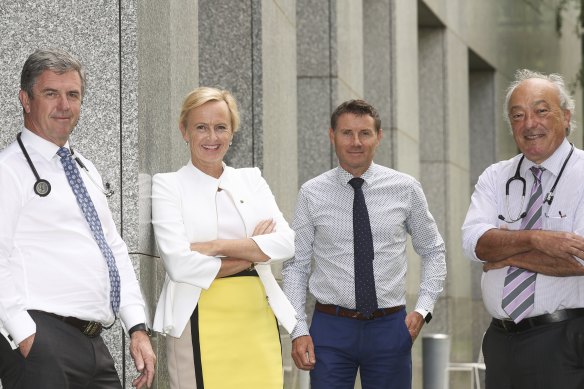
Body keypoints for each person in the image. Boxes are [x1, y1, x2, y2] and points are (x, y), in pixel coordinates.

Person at [0, 48, 155, 388]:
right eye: (51, 93)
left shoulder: (85, 169)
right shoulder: (7, 170)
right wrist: (25, 335)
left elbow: (113, 248)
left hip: (93, 345)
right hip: (41, 341)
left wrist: (137, 327)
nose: (64, 105)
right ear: (26, 99)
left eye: (73, 95)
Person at [282, 99, 447, 388]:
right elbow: (296, 267)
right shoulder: (311, 193)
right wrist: (297, 330)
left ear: (378, 137)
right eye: (346, 133)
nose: (355, 142)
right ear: (332, 136)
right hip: (331, 328)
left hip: (389, 327)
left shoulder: (405, 188)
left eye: (365, 133)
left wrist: (423, 309)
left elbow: (433, 250)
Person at [151, 86, 297, 389]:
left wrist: (216, 247)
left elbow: (286, 242)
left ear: (232, 132)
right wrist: (252, 253)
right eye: (201, 128)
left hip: (257, 316)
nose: (212, 137)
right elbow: (179, 264)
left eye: (221, 127)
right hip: (197, 316)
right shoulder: (168, 186)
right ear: (184, 131)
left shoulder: (251, 179)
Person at [462, 69, 584, 388]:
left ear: (566, 116)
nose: (530, 123)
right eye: (518, 115)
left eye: (541, 110)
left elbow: (579, 261)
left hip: (565, 342)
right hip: (501, 343)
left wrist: (507, 255)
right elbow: (474, 244)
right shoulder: (496, 176)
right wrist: (536, 239)